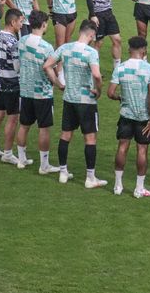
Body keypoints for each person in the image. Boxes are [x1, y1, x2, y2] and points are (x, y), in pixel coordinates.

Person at [43, 20, 108, 188]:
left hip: (69, 99)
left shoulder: (65, 48)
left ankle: (63, 172)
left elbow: (47, 65)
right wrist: (98, 90)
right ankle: (90, 178)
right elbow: (97, 75)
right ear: (91, 34)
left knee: (65, 135)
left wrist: (58, 83)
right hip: (86, 101)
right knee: (90, 138)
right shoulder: (91, 52)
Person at [106, 36, 150, 198]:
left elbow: (110, 93)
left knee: (122, 147)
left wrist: (120, 98)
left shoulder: (120, 68)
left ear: (129, 50)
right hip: (143, 118)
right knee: (142, 150)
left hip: (126, 115)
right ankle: (139, 188)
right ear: (144, 51)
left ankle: (117, 185)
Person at [16, 10, 60, 174]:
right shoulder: (46, 47)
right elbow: (50, 70)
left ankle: (21, 159)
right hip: (42, 93)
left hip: (25, 90)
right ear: (43, 25)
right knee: (44, 128)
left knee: (24, 126)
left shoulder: (21, 41)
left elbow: (17, 65)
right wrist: (57, 83)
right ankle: (44, 165)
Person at [0, 8, 24, 163]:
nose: (22, 25)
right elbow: (17, 67)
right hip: (13, 83)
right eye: (20, 21)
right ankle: (7, 153)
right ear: (13, 22)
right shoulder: (14, 43)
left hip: (0, 81)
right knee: (12, 118)